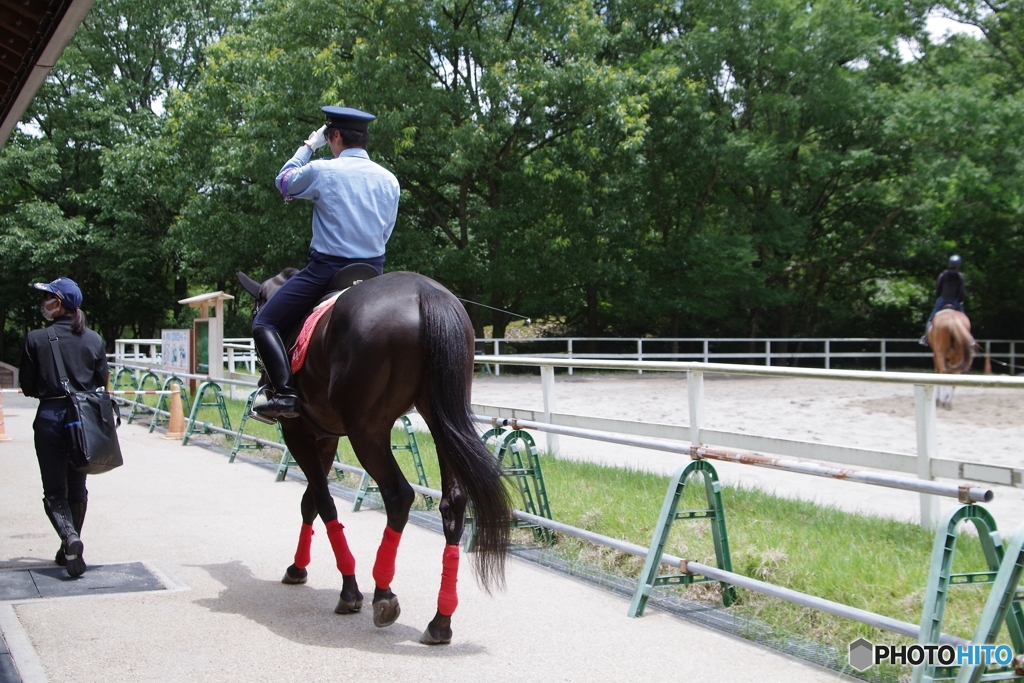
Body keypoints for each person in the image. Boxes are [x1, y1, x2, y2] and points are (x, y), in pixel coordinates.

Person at [253, 105, 400, 420]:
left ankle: (285, 395)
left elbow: (283, 182)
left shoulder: (322, 169)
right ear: (364, 138)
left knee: (264, 322)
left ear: (333, 136)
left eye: (328, 137)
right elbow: (386, 231)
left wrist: (308, 147)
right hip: (373, 274)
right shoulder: (389, 180)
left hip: (327, 271)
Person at [19, 278, 108, 578]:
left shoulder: (36, 338)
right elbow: (101, 384)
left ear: (59, 303)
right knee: (78, 488)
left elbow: (28, 387)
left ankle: (70, 538)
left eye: (47, 297)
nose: (43, 302)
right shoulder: (94, 340)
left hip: (52, 416)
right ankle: (68, 546)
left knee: (54, 490)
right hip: (83, 421)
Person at [920, 255, 967, 345]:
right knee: (965, 319)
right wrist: (960, 300)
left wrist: (939, 298)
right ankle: (969, 339)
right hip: (955, 301)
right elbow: (961, 291)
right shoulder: (960, 276)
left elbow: (938, 289)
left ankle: (926, 338)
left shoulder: (943, 275)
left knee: (931, 319)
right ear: (959, 265)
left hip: (942, 300)